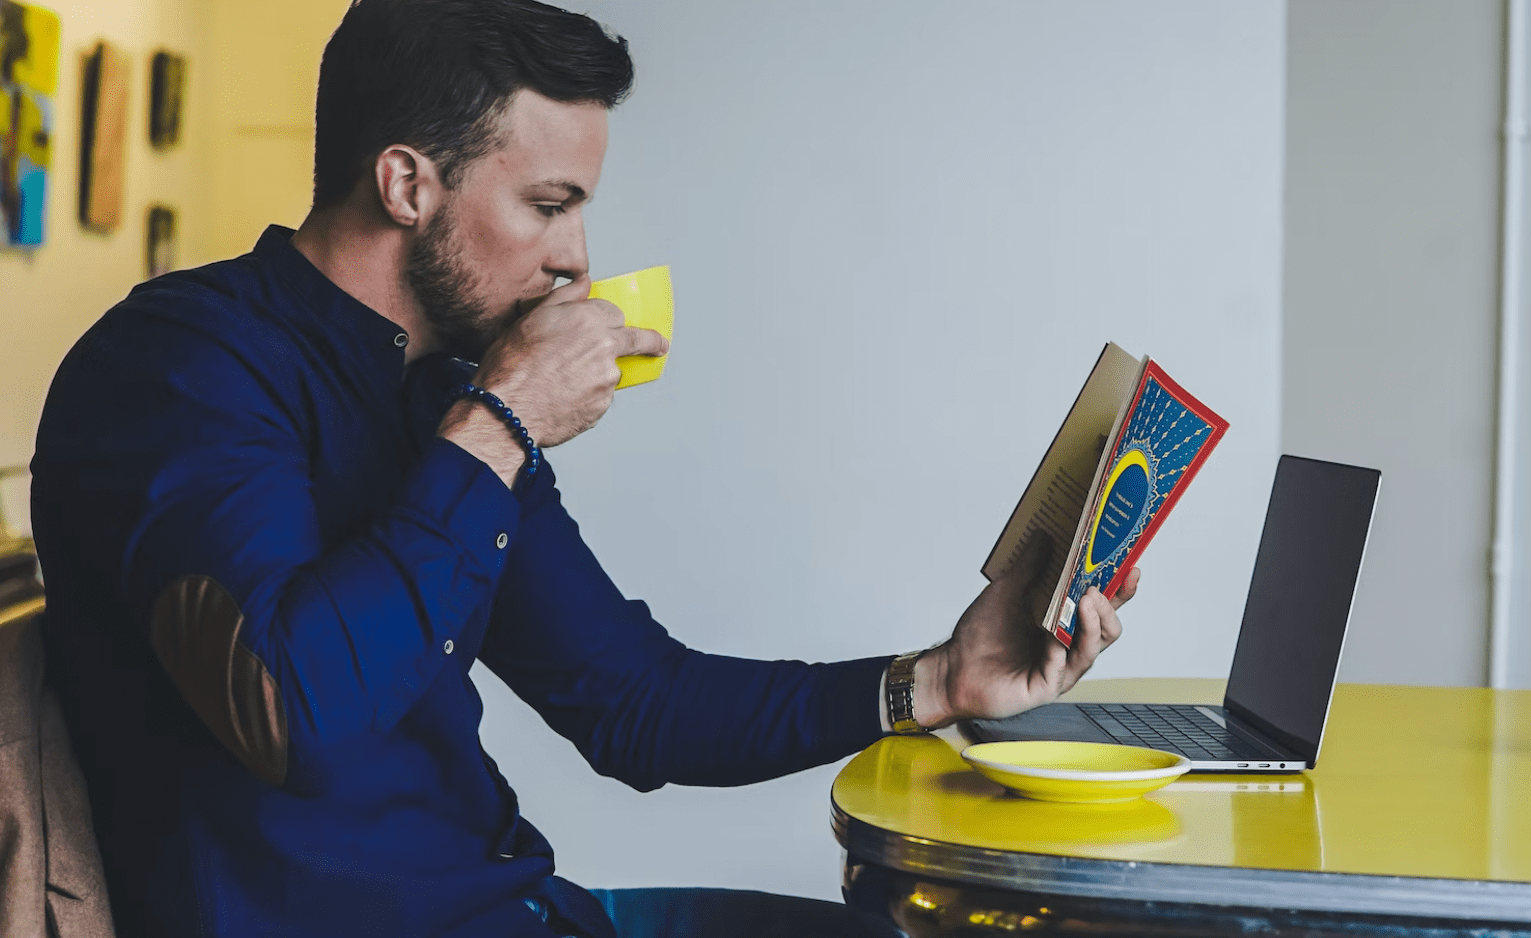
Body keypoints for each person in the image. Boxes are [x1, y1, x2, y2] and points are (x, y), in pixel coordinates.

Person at [29, 2, 1137, 936]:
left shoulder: (438, 392)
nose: (576, 259)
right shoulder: (178, 366)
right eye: (548, 206)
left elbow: (635, 703)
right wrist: (504, 418)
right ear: (407, 183)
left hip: (516, 904)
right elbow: (292, 711)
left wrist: (939, 679)